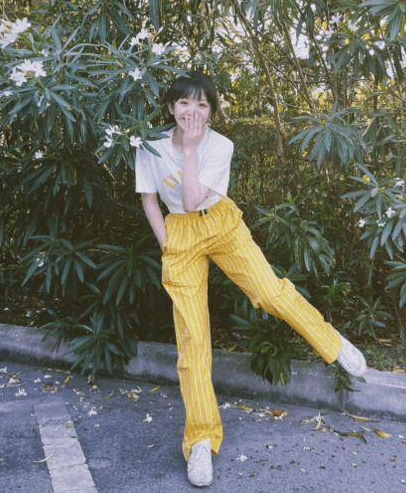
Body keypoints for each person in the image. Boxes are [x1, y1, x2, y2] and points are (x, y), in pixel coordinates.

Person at [135, 70, 367, 487]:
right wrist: (168, 244)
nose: (192, 111)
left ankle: (332, 343)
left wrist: (191, 149)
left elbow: (193, 198)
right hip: (179, 234)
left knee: (269, 292)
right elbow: (150, 199)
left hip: (220, 222)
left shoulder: (220, 146)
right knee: (192, 338)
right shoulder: (149, 146)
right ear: (170, 106)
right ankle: (201, 440)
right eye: (184, 102)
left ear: (211, 111)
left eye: (202, 104)